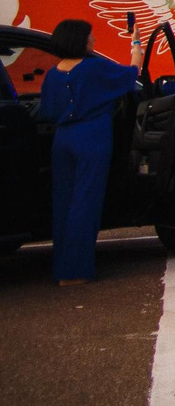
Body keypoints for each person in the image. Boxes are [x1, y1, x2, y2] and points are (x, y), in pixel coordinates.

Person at [37, 19, 139, 284]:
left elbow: (47, 110)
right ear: (79, 40)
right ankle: (77, 270)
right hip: (92, 137)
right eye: (90, 37)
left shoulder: (53, 74)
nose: (93, 41)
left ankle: (63, 269)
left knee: (64, 203)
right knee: (86, 202)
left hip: (63, 139)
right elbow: (131, 75)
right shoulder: (94, 68)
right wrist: (136, 44)